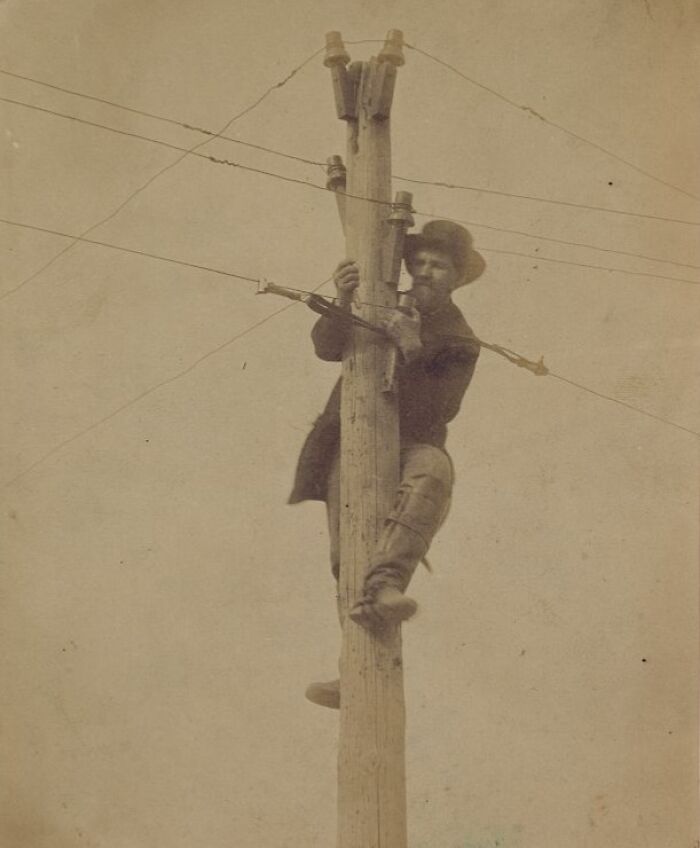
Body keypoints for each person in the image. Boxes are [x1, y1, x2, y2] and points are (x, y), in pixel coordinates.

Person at [289, 221, 484, 709]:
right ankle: (352, 668)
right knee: (347, 554)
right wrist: (343, 298)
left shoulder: (461, 340)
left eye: (437, 265)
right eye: (418, 262)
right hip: (351, 441)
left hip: (411, 442)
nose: (424, 271)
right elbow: (326, 346)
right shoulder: (380, 300)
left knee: (434, 474)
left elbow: (439, 412)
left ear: (456, 278)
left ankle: (386, 585)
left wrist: (413, 348)